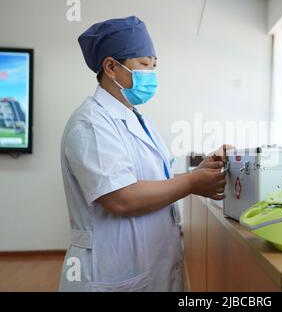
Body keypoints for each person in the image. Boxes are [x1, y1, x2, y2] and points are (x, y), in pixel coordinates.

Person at [59, 16, 229, 291]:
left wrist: (198, 173)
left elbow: (149, 179)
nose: (151, 74)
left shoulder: (138, 119)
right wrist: (191, 183)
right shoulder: (91, 123)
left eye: (154, 66)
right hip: (113, 269)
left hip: (148, 263)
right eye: (144, 64)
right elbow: (121, 198)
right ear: (111, 67)